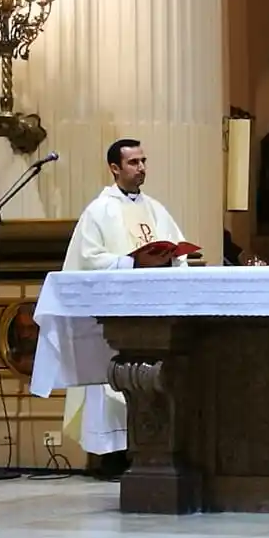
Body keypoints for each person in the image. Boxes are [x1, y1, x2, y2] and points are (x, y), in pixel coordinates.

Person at [61, 139, 189, 477]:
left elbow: (179, 251)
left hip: (154, 309)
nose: (142, 168)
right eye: (134, 162)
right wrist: (129, 263)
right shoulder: (99, 211)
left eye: (144, 161)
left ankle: (151, 450)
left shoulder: (156, 209)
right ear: (115, 168)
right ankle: (112, 457)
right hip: (116, 313)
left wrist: (172, 256)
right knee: (111, 378)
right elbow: (89, 259)